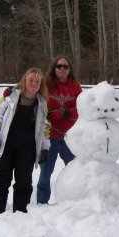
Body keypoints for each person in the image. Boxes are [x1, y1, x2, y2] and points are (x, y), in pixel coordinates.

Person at [0, 67, 50, 217]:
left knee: (24, 182)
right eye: (31, 80)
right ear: (24, 80)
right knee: (1, 180)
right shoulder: (9, 99)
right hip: (5, 146)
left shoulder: (42, 104)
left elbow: (45, 129)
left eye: (37, 81)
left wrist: (44, 148)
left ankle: (20, 215)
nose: (34, 83)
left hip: (27, 149)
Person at [36, 56, 82, 204]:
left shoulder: (75, 86)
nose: (62, 69)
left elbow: (83, 107)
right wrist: (11, 92)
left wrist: (67, 112)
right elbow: (29, 92)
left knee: (76, 169)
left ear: (69, 69)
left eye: (65, 66)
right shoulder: (45, 84)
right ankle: (42, 203)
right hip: (49, 137)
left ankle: (76, 198)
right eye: (59, 66)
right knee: (45, 173)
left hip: (69, 137)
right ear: (54, 68)